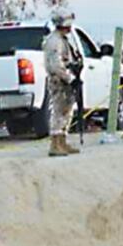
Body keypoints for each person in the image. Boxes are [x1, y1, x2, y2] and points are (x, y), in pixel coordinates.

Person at [43, 11, 82, 157]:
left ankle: (63, 141)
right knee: (59, 111)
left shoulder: (62, 39)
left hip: (66, 80)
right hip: (59, 80)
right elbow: (56, 65)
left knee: (67, 111)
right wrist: (69, 78)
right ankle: (55, 143)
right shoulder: (54, 41)